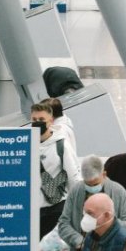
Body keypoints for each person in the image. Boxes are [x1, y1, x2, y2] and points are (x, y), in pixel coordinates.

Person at [56, 156, 126, 251]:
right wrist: (79, 241)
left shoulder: (118, 192)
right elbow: (63, 224)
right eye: (87, 184)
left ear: (104, 174)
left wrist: (109, 222)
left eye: (94, 184)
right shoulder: (76, 191)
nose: (91, 188)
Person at [33, 101, 80, 239]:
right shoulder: (26, 143)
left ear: (50, 121)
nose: (37, 122)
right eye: (34, 119)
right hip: (33, 209)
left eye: (41, 119)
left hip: (55, 207)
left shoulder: (61, 145)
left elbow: (73, 176)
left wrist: (76, 208)